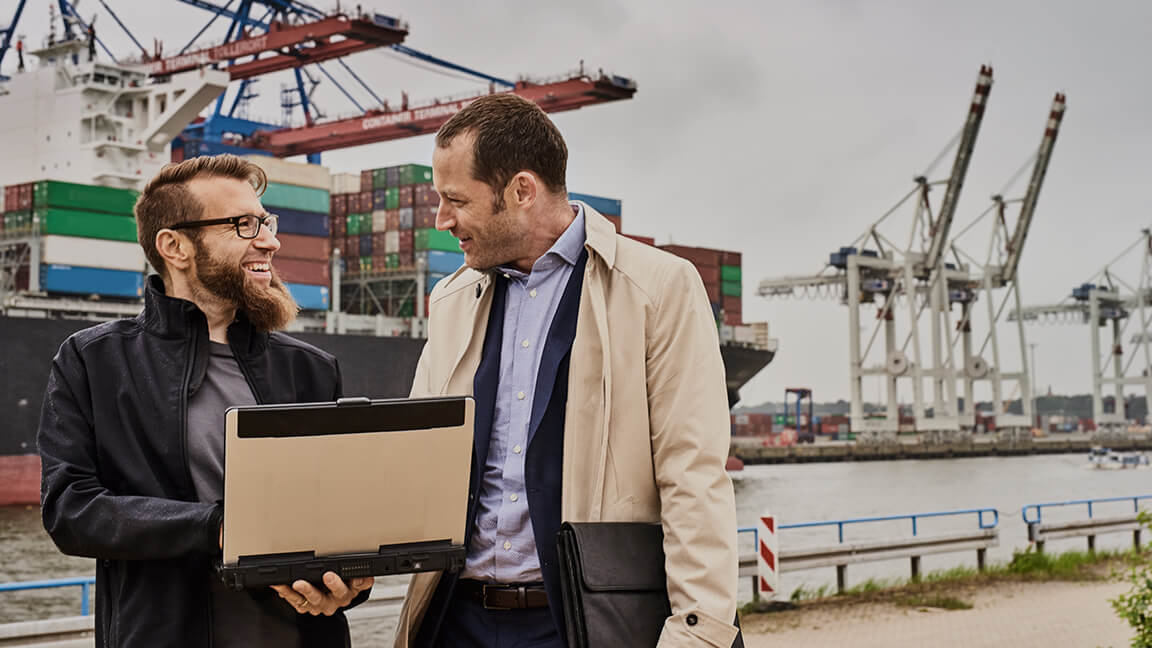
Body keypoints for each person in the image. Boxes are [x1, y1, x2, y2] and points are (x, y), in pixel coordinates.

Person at [393, 94, 739, 647]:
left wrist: (699, 633)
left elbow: (692, 475)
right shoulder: (451, 298)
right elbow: (414, 462)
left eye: (455, 200)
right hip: (454, 621)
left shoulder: (658, 287)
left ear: (522, 191)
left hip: (581, 624)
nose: (442, 220)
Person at [38, 155, 372, 647]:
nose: (270, 240)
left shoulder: (311, 368)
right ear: (175, 246)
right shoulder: (93, 361)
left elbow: (340, 516)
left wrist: (348, 586)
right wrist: (216, 527)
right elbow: (70, 510)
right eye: (243, 224)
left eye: (266, 222)